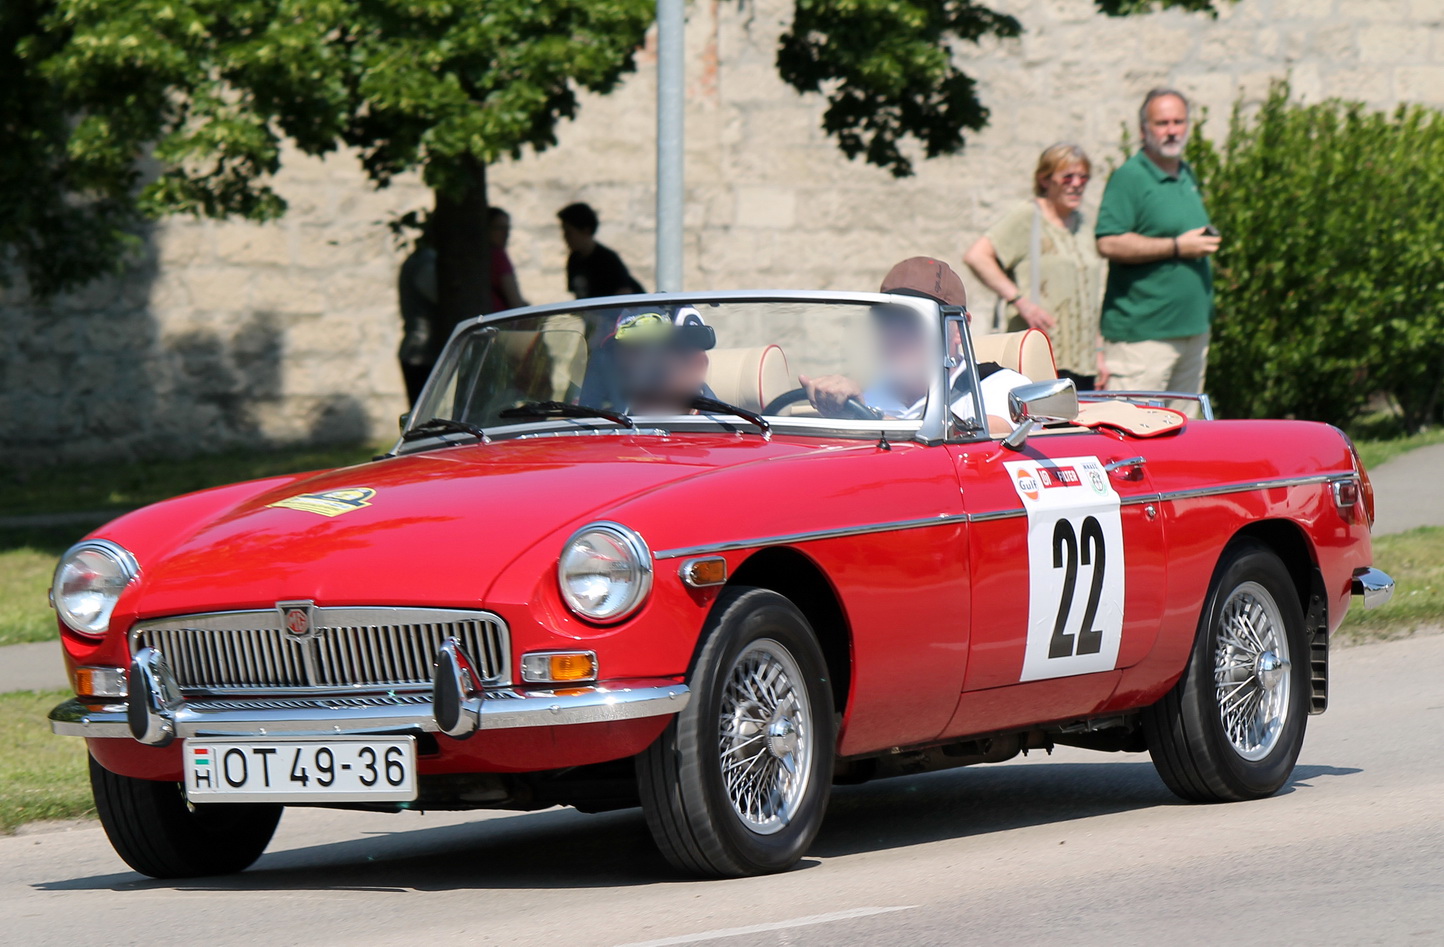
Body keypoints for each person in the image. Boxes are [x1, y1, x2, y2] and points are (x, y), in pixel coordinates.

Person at [1095, 88, 1220, 415]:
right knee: (1133, 434)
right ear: (1143, 130)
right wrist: (1178, 246)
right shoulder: (1129, 178)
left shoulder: (1184, 173)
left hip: (1192, 333)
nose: (1172, 130)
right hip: (1143, 339)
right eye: (1162, 122)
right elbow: (1108, 242)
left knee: (1185, 439)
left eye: (1178, 121)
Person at [800, 257, 1028, 435]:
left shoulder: (1000, 387)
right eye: (885, 318)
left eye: (914, 319)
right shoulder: (870, 397)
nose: (895, 333)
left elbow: (988, 434)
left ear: (958, 329)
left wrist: (870, 419)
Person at [962, 142, 1105, 389]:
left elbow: (1089, 297)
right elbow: (977, 256)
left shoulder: (1083, 224)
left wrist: (1099, 353)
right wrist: (1020, 300)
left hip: (1083, 362)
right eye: (1067, 177)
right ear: (1045, 180)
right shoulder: (1028, 217)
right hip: (1039, 355)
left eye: (1083, 177)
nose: (1077, 184)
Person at [608, 307, 716, 414]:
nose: (637, 386)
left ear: (697, 366)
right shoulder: (605, 422)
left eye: (655, 375)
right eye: (625, 373)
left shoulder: (725, 427)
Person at [559, 202, 645, 299]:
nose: (565, 238)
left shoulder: (607, 260)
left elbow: (624, 295)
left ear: (586, 230)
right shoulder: (574, 260)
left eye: (569, 233)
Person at [396, 230, 439, 404]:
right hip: (422, 352)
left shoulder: (420, 259)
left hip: (423, 350)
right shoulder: (425, 261)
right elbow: (438, 295)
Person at [489, 207, 528, 313]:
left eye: (507, 228)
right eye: (499, 228)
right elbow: (515, 301)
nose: (506, 233)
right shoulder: (498, 256)